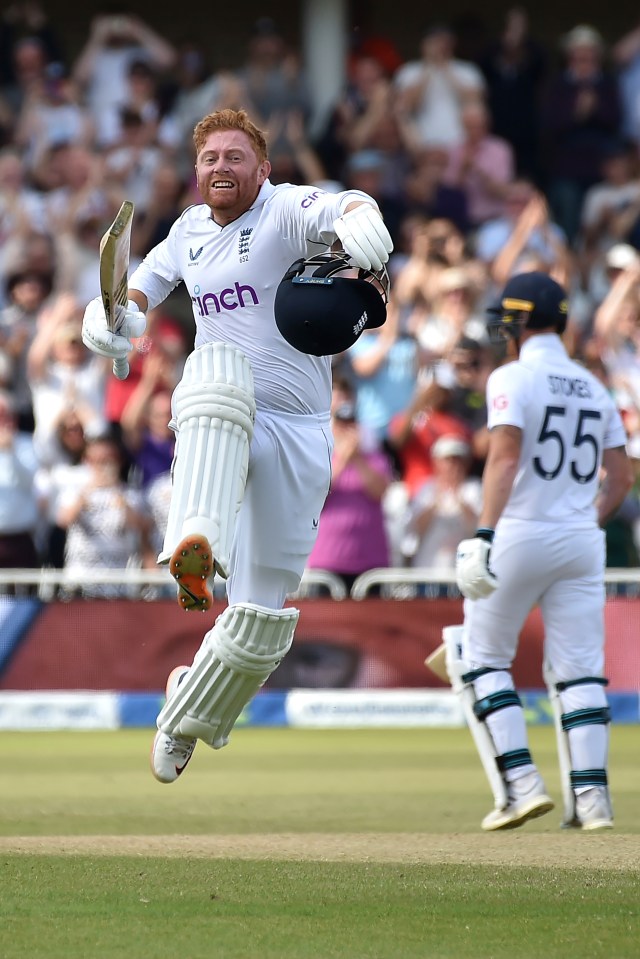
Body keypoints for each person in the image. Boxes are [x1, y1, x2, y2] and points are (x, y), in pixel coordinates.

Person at [80, 107, 393, 783]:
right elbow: (141, 289)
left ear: (262, 168)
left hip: (303, 427)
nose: (221, 166)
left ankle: (187, 709)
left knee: (258, 627)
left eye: (234, 156)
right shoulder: (188, 230)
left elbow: (338, 206)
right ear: (196, 172)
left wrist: (360, 209)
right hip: (223, 407)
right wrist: (110, 316)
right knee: (215, 379)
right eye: (210, 158)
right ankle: (196, 543)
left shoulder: (282, 210)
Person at [451, 271, 632, 832]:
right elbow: (622, 477)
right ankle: (593, 802)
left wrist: (483, 534)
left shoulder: (511, 375)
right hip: (580, 539)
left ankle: (521, 787)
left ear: (523, 321)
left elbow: (504, 458)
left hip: (521, 530)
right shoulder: (594, 385)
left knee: (481, 658)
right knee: (581, 672)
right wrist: (582, 521)